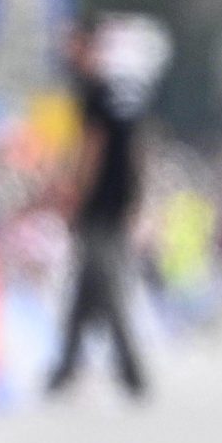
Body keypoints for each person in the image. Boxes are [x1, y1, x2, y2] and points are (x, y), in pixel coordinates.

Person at [46, 20, 147, 398]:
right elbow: (137, 149)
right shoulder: (125, 93)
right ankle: (66, 366)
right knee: (86, 289)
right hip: (118, 202)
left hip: (98, 207)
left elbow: (93, 149)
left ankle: (132, 371)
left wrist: (74, 195)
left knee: (107, 288)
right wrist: (137, 197)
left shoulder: (94, 93)